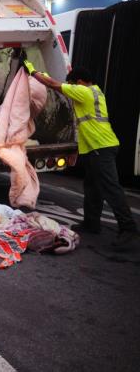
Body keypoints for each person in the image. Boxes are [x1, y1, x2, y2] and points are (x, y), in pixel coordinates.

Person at [23, 60, 138, 249]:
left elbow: (53, 84)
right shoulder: (95, 92)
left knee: (111, 189)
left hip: (101, 147)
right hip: (96, 148)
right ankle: (91, 224)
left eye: (74, 83)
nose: (72, 87)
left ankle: (128, 229)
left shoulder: (85, 92)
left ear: (81, 81)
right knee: (92, 187)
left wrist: (32, 70)